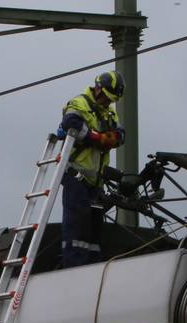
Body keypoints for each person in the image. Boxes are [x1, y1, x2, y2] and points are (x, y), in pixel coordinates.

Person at [56, 70, 128, 268]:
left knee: (94, 228)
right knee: (76, 225)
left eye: (111, 99)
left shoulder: (110, 112)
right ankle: (73, 266)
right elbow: (70, 123)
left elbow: (121, 134)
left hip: (96, 180)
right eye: (106, 97)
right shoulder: (79, 103)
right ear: (98, 89)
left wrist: (111, 138)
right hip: (76, 176)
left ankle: (92, 267)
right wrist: (97, 138)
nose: (107, 102)